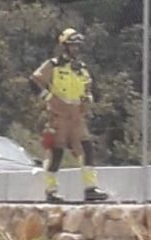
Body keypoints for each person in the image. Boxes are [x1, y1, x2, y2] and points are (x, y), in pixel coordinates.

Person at [30, 28, 108, 203]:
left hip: (76, 116)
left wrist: (88, 99)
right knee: (56, 153)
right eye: (72, 45)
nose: (76, 49)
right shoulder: (53, 65)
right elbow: (34, 81)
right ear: (64, 46)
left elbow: (88, 88)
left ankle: (90, 188)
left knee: (86, 148)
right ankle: (51, 191)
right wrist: (49, 97)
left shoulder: (82, 69)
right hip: (58, 116)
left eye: (78, 46)